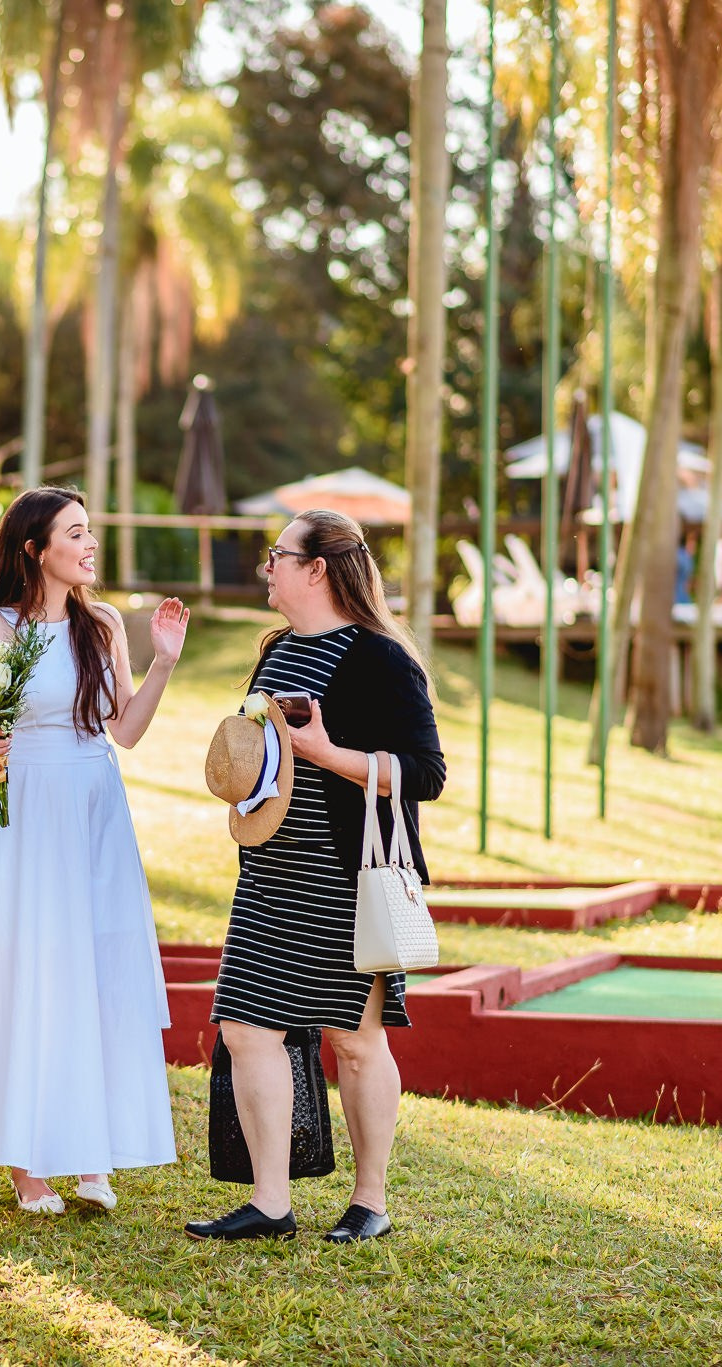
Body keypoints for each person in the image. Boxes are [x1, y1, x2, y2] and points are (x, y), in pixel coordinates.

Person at [0, 487, 190, 1214]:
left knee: (93, 969)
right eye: (77, 531)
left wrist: (162, 662)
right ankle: (29, 1161)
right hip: (26, 814)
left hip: (96, 807)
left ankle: (91, 1150)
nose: (91, 542)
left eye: (91, 529)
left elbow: (123, 731)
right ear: (36, 548)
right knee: (32, 970)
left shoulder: (100, 623)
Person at [185, 509, 445, 1244]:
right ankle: (271, 1203)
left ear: (316, 569)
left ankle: (371, 1201)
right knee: (244, 1027)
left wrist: (330, 753)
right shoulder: (274, 651)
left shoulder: (381, 659)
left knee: (355, 1040)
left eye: (278, 555)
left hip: (344, 879)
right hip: (269, 873)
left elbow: (425, 774)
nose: (267, 567)